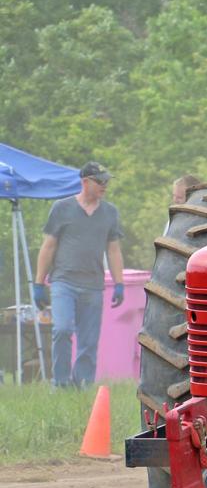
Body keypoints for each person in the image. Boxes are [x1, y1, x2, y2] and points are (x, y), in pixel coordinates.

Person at [33, 162, 125, 388]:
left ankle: (83, 385)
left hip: (94, 285)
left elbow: (113, 249)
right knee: (62, 329)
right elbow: (49, 246)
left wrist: (119, 282)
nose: (105, 185)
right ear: (85, 182)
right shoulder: (61, 208)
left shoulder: (110, 212)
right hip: (64, 281)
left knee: (88, 341)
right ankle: (61, 383)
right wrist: (38, 283)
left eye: (106, 181)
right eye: (100, 181)